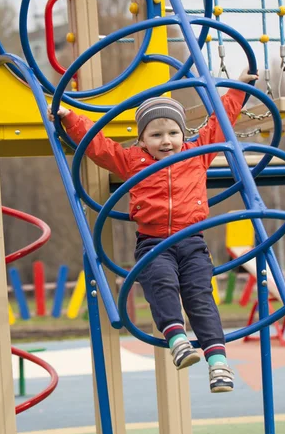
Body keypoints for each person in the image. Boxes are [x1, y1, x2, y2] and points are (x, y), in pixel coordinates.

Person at [48, 67, 258, 393]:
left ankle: (218, 364)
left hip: (192, 241)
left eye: (173, 133)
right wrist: (68, 117)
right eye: (156, 135)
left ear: (183, 134)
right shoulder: (133, 160)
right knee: (160, 284)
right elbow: (98, 145)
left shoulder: (198, 153)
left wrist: (239, 90)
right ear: (142, 138)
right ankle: (177, 341)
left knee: (201, 296)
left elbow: (221, 120)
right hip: (153, 242)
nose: (166, 141)